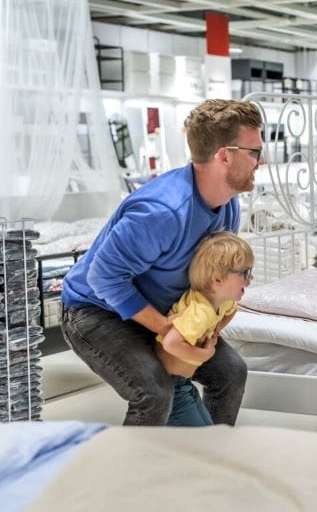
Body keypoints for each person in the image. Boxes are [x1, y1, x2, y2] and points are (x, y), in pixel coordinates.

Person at [61, 99, 263, 426]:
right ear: (224, 155)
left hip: (158, 307)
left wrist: (209, 325)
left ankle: (211, 459)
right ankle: (144, 475)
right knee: (154, 392)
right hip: (95, 311)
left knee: (231, 372)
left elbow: (212, 275)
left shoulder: (228, 206)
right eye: (253, 151)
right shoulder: (162, 212)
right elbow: (103, 278)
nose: (261, 161)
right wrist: (171, 330)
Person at [156, 232, 254, 427]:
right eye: (245, 273)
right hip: (169, 387)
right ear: (217, 279)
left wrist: (216, 329)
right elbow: (170, 343)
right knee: (204, 439)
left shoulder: (222, 302)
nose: (250, 279)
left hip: (183, 384)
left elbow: (231, 311)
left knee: (210, 433)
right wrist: (204, 354)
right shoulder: (199, 311)